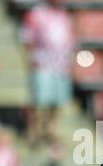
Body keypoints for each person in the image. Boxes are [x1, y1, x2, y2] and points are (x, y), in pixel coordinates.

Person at [20, 0, 74, 145]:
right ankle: (34, 131)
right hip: (42, 63)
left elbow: (69, 39)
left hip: (61, 65)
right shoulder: (35, 13)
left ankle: (50, 130)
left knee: (56, 101)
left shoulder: (63, 15)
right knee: (38, 101)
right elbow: (26, 36)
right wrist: (30, 58)